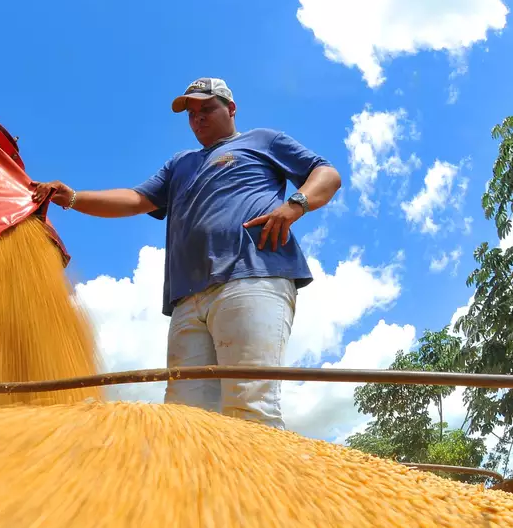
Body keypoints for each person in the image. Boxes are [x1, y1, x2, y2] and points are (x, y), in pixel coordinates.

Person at [30, 77, 341, 429]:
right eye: (191, 113)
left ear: (231, 108)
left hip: (252, 276)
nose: (198, 118)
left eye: (207, 108)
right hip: (187, 299)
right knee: (185, 419)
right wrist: (72, 198)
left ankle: (265, 486)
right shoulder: (180, 164)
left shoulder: (262, 141)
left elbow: (326, 173)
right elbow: (135, 199)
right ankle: (201, 486)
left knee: (250, 404)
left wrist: (295, 205)